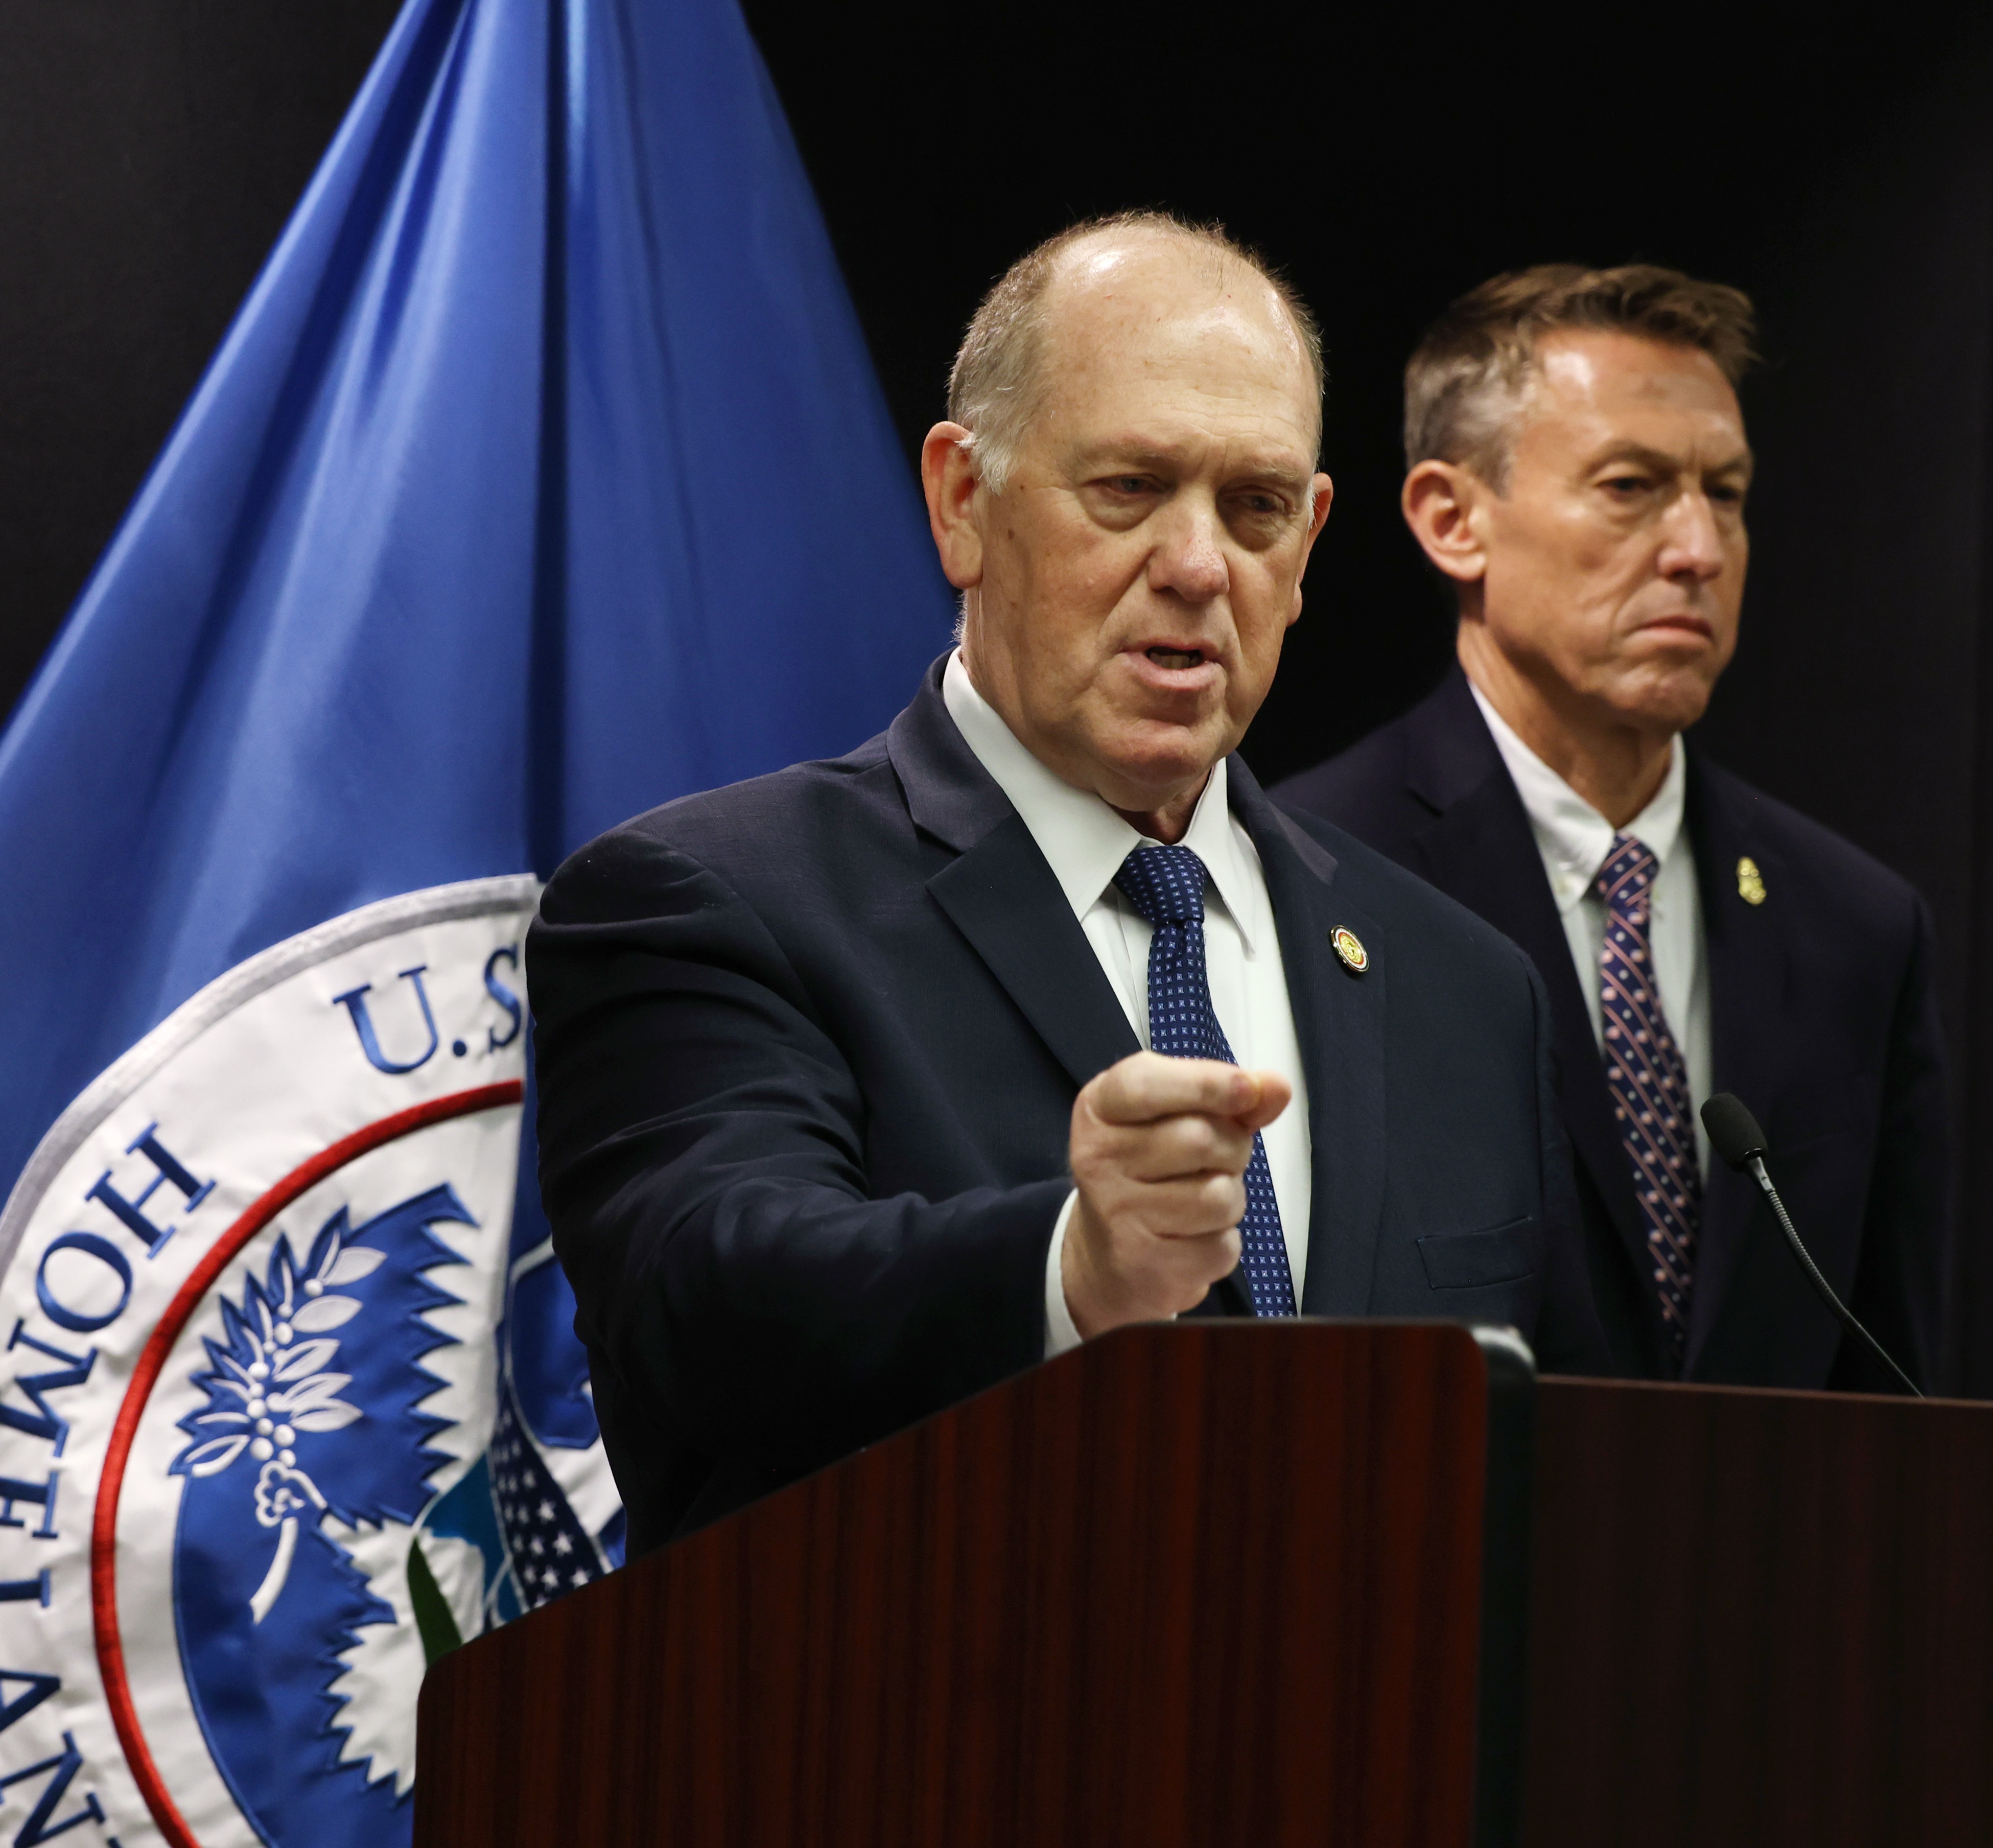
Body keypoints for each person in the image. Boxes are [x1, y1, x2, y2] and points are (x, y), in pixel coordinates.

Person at [530, 215, 1607, 1554]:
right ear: (961, 503)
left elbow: (1543, 1473)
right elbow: (708, 1305)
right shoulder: (709, 904)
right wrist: (1071, 1269)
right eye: (1129, 489)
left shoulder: (1462, 983)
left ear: (1312, 539)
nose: (1200, 564)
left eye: (1256, 507)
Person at [1278, 265, 1949, 1390]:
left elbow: (1898, 1396)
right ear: (1453, 520)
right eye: (1633, 485)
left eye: (1725, 493)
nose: (1699, 548)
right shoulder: (1306, 872)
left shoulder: (1859, 930)